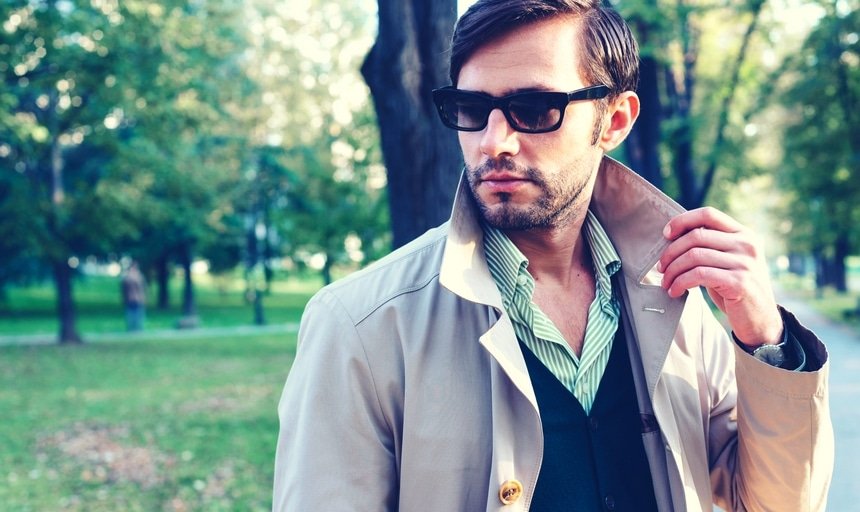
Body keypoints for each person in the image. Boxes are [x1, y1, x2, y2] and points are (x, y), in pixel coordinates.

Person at [273, 1, 833, 510]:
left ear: (614, 120)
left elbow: (773, 504)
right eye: (471, 108)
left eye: (535, 108)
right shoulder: (361, 326)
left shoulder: (678, 298)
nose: (494, 143)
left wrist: (766, 340)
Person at [121, 261, 146, 332]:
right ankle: (132, 328)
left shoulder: (138, 276)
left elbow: (142, 288)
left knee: (138, 314)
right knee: (131, 314)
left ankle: (137, 328)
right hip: (131, 298)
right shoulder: (129, 277)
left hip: (137, 298)